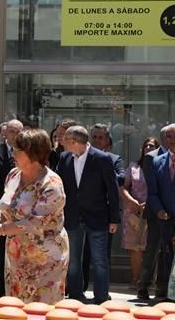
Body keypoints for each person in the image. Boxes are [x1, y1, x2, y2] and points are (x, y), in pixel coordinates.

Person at [0, 129, 68, 304]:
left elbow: (36, 222)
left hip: (45, 258)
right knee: (15, 307)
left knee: (41, 309)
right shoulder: (13, 175)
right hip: (16, 255)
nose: (12, 153)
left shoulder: (51, 183)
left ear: (33, 153)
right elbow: (7, 205)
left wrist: (2, 229)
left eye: (17, 150)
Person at [56, 125, 120, 304]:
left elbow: (112, 190)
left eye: (65, 140)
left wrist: (114, 218)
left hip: (98, 217)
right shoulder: (64, 157)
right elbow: (59, 186)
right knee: (74, 260)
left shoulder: (102, 159)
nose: (62, 143)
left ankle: (101, 296)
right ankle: (75, 294)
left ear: (75, 142)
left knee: (100, 259)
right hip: (72, 217)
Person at [0, 118, 23, 300]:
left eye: (18, 132)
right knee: (1, 251)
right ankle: (1, 288)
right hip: (2, 207)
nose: (15, 135)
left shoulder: (26, 151)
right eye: (12, 132)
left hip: (21, 211)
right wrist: (9, 197)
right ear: (5, 132)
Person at [137, 125, 172, 300]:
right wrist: (159, 209)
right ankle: (143, 286)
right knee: (153, 249)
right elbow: (151, 186)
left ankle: (163, 288)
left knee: (168, 252)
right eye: (171, 136)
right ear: (165, 138)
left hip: (174, 212)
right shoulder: (152, 158)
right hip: (156, 212)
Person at [145, 123, 175, 302]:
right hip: (164, 217)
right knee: (166, 256)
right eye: (170, 136)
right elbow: (152, 191)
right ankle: (166, 294)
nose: (173, 139)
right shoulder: (157, 161)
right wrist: (158, 210)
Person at [120, 137, 160, 290]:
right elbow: (123, 187)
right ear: (142, 149)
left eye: (152, 146)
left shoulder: (160, 165)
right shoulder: (134, 167)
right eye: (146, 146)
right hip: (134, 213)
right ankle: (136, 279)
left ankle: (152, 282)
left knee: (153, 247)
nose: (149, 148)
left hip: (155, 211)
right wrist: (132, 201)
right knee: (135, 248)